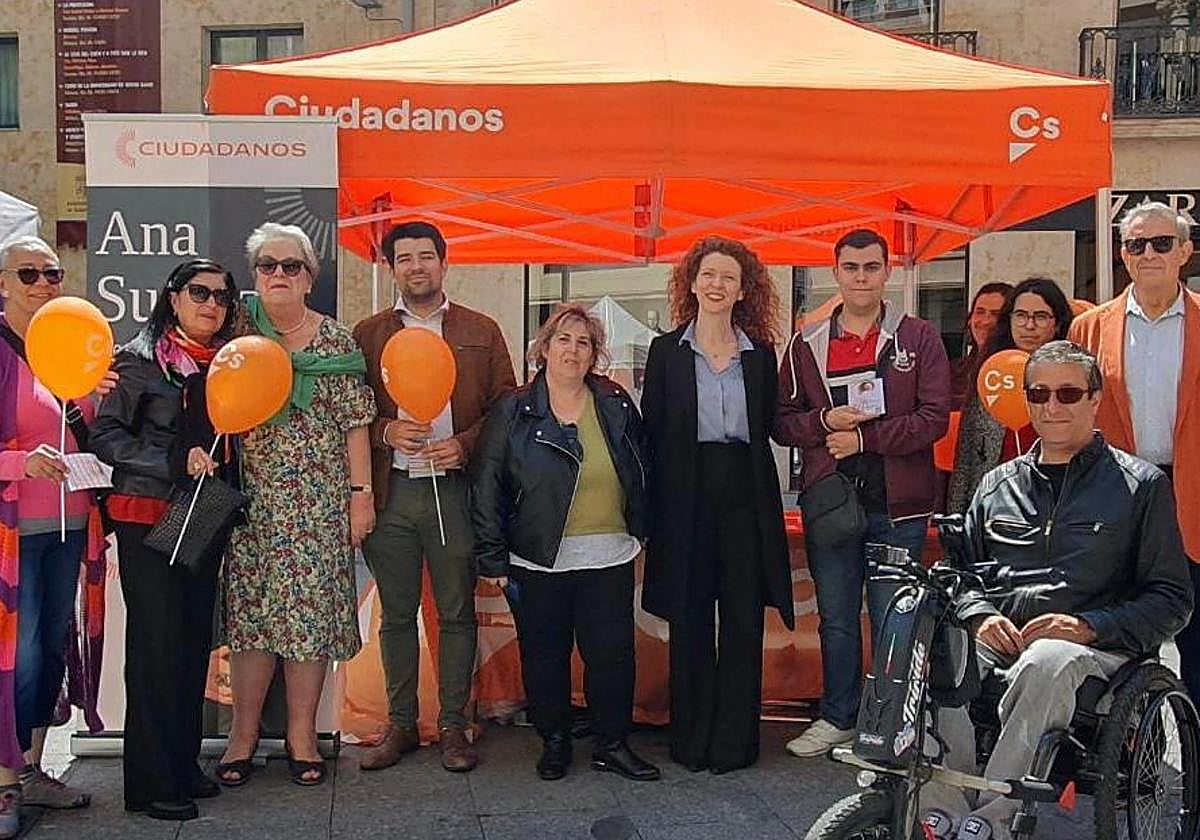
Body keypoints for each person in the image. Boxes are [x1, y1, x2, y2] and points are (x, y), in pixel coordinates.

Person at [920, 340, 1192, 840]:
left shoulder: (1141, 486)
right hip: (1002, 637)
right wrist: (979, 615)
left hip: (1096, 651)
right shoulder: (996, 486)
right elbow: (961, 576)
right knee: (938, 647)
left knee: (1048, 659)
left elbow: (1172, 599)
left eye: (1068, 393)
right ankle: (947, 810)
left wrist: (1087, 626)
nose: (1052, 406)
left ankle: (995, 819)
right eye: (1039, 394)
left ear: (1095, 399)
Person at [775, 228, 951, 758]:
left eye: (871, 267)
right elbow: (781, 422)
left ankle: (894, 725)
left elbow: (934, 419)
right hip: (832, 503)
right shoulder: (806, 341)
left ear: (887, 271)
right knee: (837, 618)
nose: (860, 277)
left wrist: (866, 439)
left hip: (900, 506)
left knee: (896, 619)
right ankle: (839, 717)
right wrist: (824, 421)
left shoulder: (918, 337)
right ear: (836, 272)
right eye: (850, 268)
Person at [214, 223, 376, 787]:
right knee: (253, 624)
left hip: (318, 508)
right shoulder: (236, 332)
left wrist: (361, 498)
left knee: (309, 624)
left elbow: (356, 425)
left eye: (292, 266)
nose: (279, 274)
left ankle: (302, 736)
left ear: (310, 277)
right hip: (250, 507)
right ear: (255, 276)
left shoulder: (336, 343)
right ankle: (242, 736)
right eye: (268, 265)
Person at [353, 221, 516, 773]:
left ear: (445, 264)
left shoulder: (481, 329)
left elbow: (506, 408)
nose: (416, 266)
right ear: (391, 269)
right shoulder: (368, 334)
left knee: (456, 613)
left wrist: (465, 445)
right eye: (405, 258)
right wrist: (384, 431)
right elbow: (348, 412)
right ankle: (400, 724)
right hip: (393, 491)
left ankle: (454, 726)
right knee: (396, 615)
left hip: (455, 491)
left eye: (426, 256)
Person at [472, 305, 659, 782]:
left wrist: (645, 526)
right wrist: (492, 557)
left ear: (594, 354)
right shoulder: (513, 409)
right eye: (564, 340)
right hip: (537, 558)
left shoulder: (614, 401)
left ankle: (612, 744)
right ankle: (554, 741)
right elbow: (487, 484)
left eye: (584, 342)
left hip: (609, 554)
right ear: (544, 347)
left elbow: (642, 463)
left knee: (612, 656)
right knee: (545, 656)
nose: (573, 350)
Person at [91, 259, 239, 820]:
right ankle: (151, 782)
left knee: (191, 639)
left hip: (204, 511)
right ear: (172, 298)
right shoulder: (138, 359)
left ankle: (182, 763)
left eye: (222, 296)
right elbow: (106, 436)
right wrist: (172, 462)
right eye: (199, 292)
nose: (211, 304)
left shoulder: (229, 363)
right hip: (148, 511)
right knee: (156, 645)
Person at [641, 235, 792, 774]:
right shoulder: (666, 352)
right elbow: (653, 431)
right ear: (691, 283)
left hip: (745, 495)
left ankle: (735, 743)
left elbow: (773, 425)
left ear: (744, 289)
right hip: (685, 493)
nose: (717, 284)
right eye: (708, 274)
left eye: (729, 277)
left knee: (743, 619)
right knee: (690, 618)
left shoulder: (761, 356)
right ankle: (691, 739)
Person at [0, 235, 113, 833]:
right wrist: (21, 463)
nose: (43, 283)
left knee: (49, 652)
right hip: (13, 534)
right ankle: (5, 779)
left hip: (69, 527)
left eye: (52, 273)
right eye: (28, 274)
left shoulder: (66, 344)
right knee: (15, 658)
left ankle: (34, 769)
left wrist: (99, 401)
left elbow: (84, 434)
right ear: (2, 284)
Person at [1069, 199, 1200, 704]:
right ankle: (1124, 745)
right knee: (1120, 636)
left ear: (1184, 251)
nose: (1148, 254)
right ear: (1123, 254)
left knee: (1197, 638)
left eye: (1161, 243)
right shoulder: (1089, 328)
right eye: (1136, 244)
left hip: (1192, 495)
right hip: (1119, 497)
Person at [947, 277, 1073, 514]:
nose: (1029, 325)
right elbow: (966, 456)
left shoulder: (1075, 374)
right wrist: (958, 515)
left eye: (1040, 316)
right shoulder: (991, 371)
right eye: (1021, 315)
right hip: (996, 503)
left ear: (1057, 324)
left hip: (1058, 502)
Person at [950, 282, 1012, 410]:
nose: (986, 321)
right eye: (980, 312)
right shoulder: (953, 372)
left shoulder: (1021, 370)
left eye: (996, 314)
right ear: (969, 320)